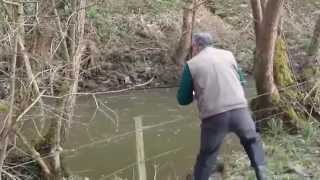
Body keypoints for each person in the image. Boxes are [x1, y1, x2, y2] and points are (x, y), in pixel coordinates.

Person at [177, 33, 267, 180]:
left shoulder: (192, 65)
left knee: (207, 156)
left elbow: (182, 99)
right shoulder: (228, 55)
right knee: (252, 141)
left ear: (195, 46)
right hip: (241, 112)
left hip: (214, 117)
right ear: (211, 43)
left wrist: (196, 93)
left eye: (192, 47)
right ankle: (263, 176)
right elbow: (242, 81)